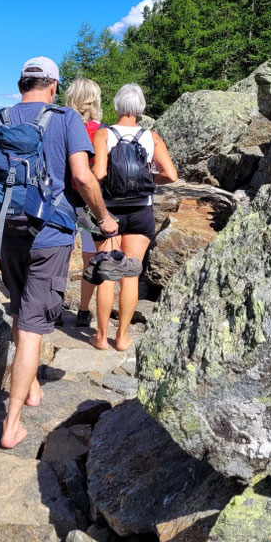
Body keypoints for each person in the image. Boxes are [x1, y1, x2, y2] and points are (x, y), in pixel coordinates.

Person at [0, 57, 118, 450]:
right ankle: (11, 424)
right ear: (54, 86)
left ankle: (33, 388)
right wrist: (104, 218)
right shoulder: (65, 119)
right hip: (51, 232)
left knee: (21, 309)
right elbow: (81, 176)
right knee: (32, 323)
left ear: (21, 84)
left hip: (8, 231)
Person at [90, 83, 177, 352]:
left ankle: (101, 338)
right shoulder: (152, 137)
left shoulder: (104, 134)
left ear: (117, 106)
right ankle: (123, 338)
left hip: (109, 213)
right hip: (141, 211)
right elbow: (171, 176)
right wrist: (146, 178)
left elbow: (100, 173)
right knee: (130, 274)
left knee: (106, 272)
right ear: (140, 109)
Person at [64, 77, 104, 327]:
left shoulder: (61, 125)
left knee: (59, 255)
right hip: (90, 202)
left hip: (63, 200)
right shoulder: (102, 130)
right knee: (91, 257)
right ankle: (82, 310)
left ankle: (54, 308)